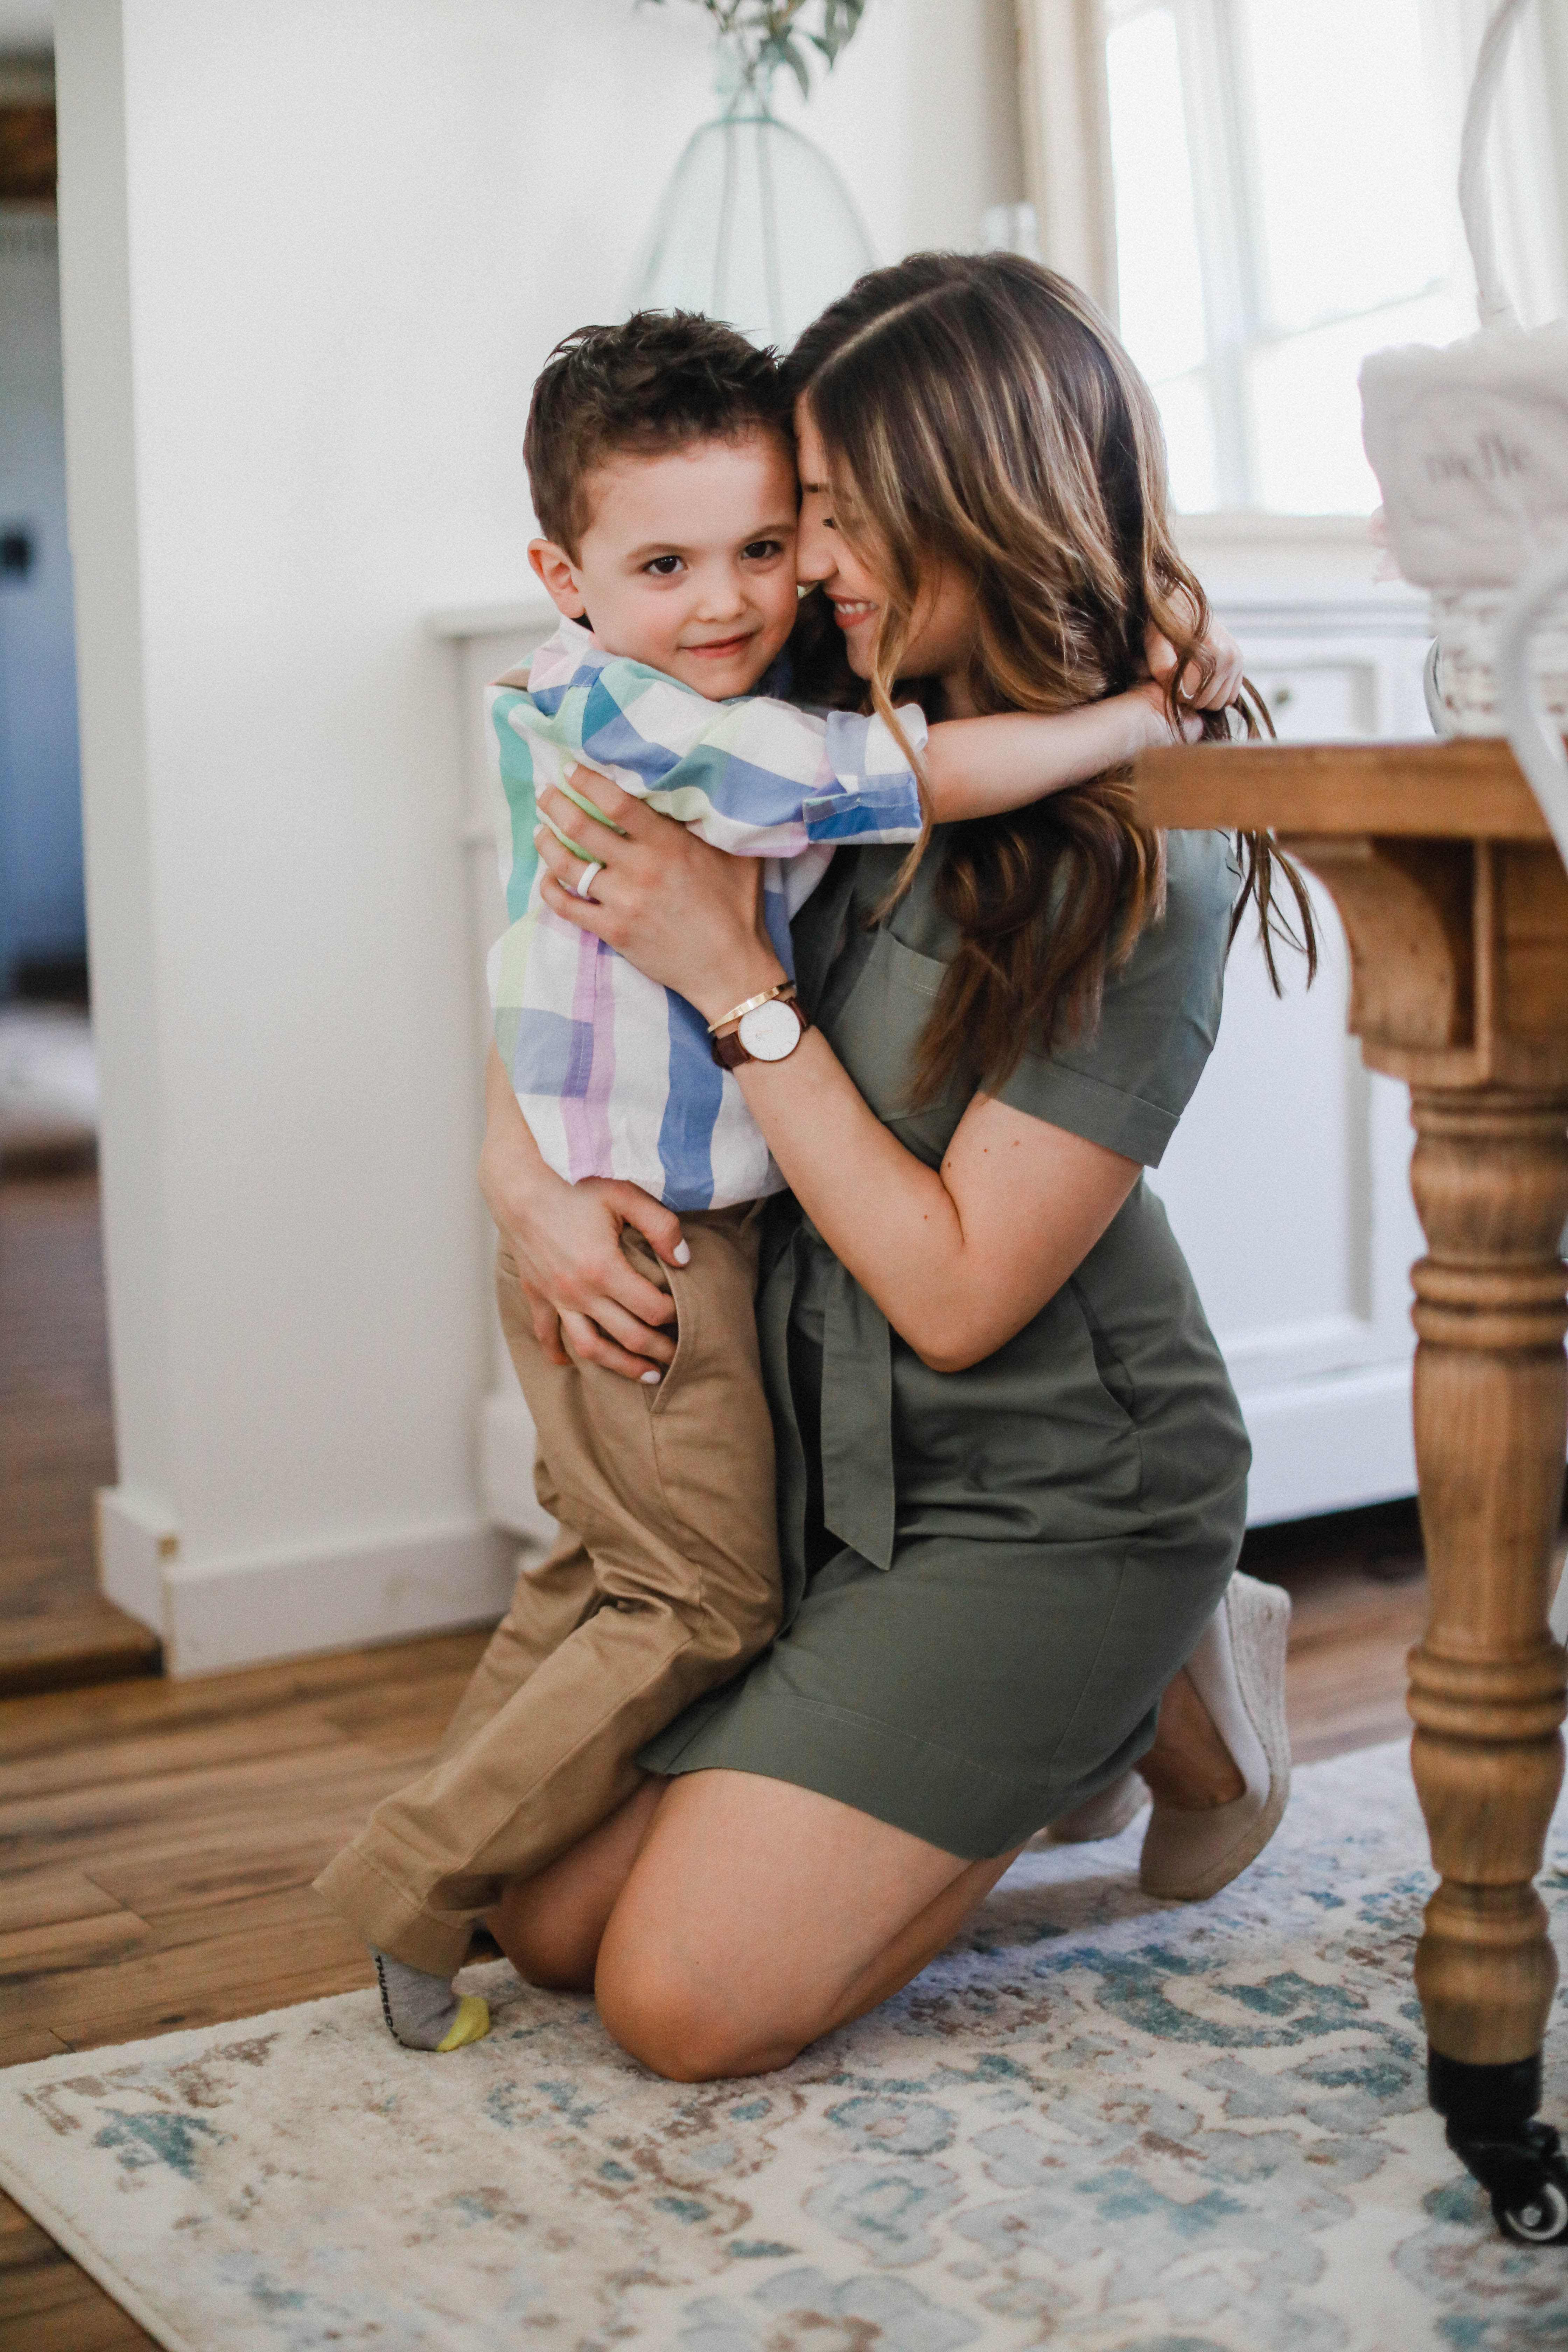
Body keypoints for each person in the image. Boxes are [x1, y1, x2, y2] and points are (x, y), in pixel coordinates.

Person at [314, 308, 1236, 2053]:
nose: (791, 565)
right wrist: (529, 1193)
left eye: (826, 511)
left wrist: (735, 981)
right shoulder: (763, 693)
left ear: (974, 503)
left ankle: (1151, 1646)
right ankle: (1151, 1692)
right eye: (788, 509)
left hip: (1045, 1481)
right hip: (830, 1467)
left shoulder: (1130, 849)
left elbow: (959, 1304)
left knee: (678, 2004)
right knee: (550, 1923)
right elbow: (555, 972)